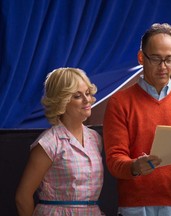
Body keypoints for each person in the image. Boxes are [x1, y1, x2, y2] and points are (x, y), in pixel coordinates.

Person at [103, 23, 171, 216]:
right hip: (136, 208)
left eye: (169, 59)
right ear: (141, 58)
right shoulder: (119, 102)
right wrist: (134, 166)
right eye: (156, 59)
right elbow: (114, 161)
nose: (163, 67)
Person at [15, 68, 104, 216]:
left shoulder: (95, 138)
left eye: (87, 93)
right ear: (61, 101)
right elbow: (22, 197)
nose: (87, 100)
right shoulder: (48, 143)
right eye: (77, 96)